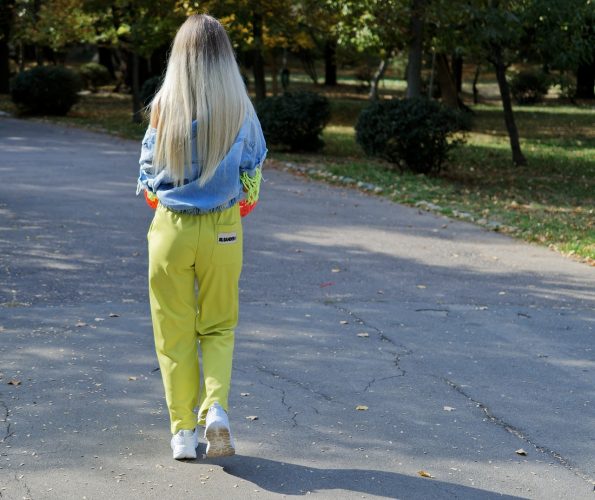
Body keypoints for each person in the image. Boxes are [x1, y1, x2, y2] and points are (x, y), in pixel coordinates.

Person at [136, 14, 267, 460]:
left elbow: (148, 173)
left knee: (172, 331)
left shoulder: (163, 106)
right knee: (219, 325)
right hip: (223, 228)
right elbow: (252, 167)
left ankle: (183, 433)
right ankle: (216, 410)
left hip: (171, 229)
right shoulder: (239, 107)